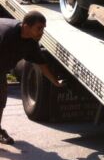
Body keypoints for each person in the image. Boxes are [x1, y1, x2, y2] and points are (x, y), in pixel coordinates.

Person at [0, 10, 63, 145]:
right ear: (26, 27)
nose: (42, 32)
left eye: (43, 28)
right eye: (39, 28)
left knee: (0, 100)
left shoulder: (31, 44)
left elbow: (42, 65)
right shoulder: (6, 35)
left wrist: (56, 82)